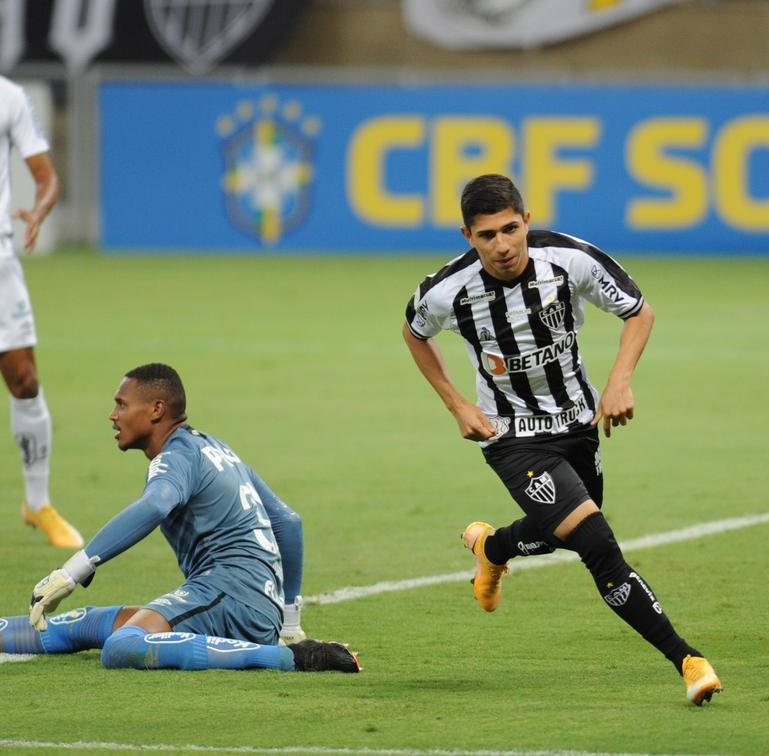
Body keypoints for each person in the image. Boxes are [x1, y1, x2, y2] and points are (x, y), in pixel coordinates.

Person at [403, 174, 720, 705]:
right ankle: (688, 660)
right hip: (509, 438)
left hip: (578, 424)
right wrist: (457, 404)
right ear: (467, 236)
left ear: (527, 220)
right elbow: (414, 332)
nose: (502, 246)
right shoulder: (448, 291)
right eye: (486, 236)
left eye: (510, 229)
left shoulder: (569, 260)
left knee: (562, 532)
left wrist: (619, 380)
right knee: (596, 543)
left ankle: (493, 546)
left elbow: (639, 311)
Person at [0, 363, 358, 672]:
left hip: (229, 594)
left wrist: (71, 572)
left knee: (122, 647)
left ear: (156, 409)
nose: (113, 415)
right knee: (89, 624)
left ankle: (291, 658)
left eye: (121, 404)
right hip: (243, 599)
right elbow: (288, 523)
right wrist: (290, 619)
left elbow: (156, 505)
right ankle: (287, 643)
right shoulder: (215, 447)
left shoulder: (176, 456)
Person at [0, 75, 82, 547]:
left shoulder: (10, 98)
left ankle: (38, 502)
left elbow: (46, 177)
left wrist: (40, 209)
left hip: (1, 262)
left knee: (25, 380)